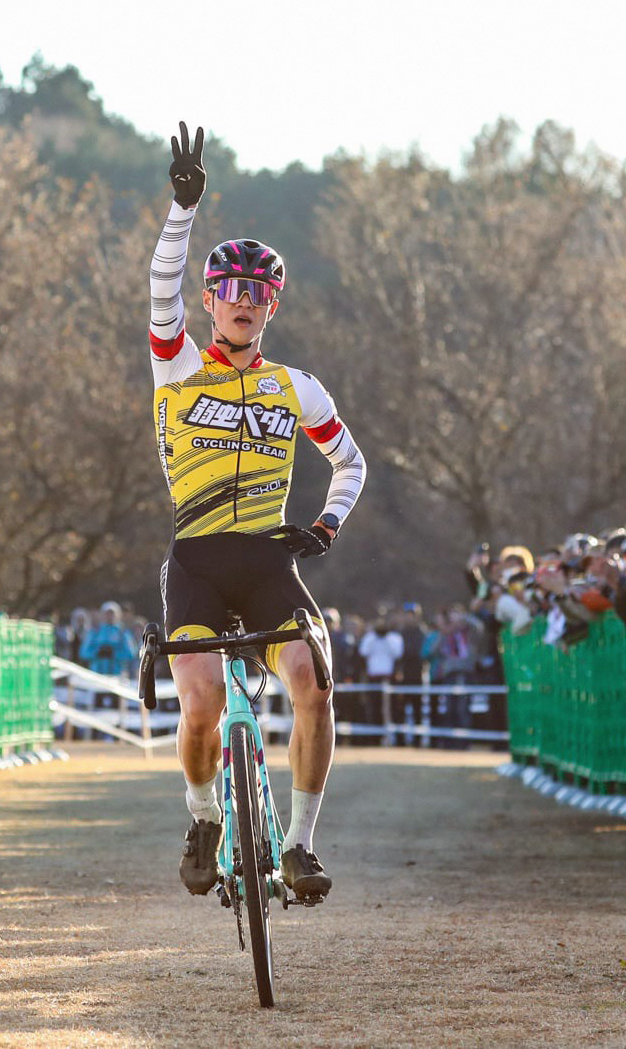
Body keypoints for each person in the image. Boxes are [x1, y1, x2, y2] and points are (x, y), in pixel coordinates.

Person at [149, 124, 366, 903]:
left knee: (313, 680)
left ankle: (300, 843)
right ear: (212, 301)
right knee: (202, 699)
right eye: (230, 291)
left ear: (272, 306)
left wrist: (326, 525)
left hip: (272, 558)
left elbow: (351, 461)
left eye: (258, 293)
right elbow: (160, 287)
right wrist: (183, 212)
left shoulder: (295, 386)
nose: (243, 303)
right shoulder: (174, 364)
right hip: (200, 561)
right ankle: (204, 815)